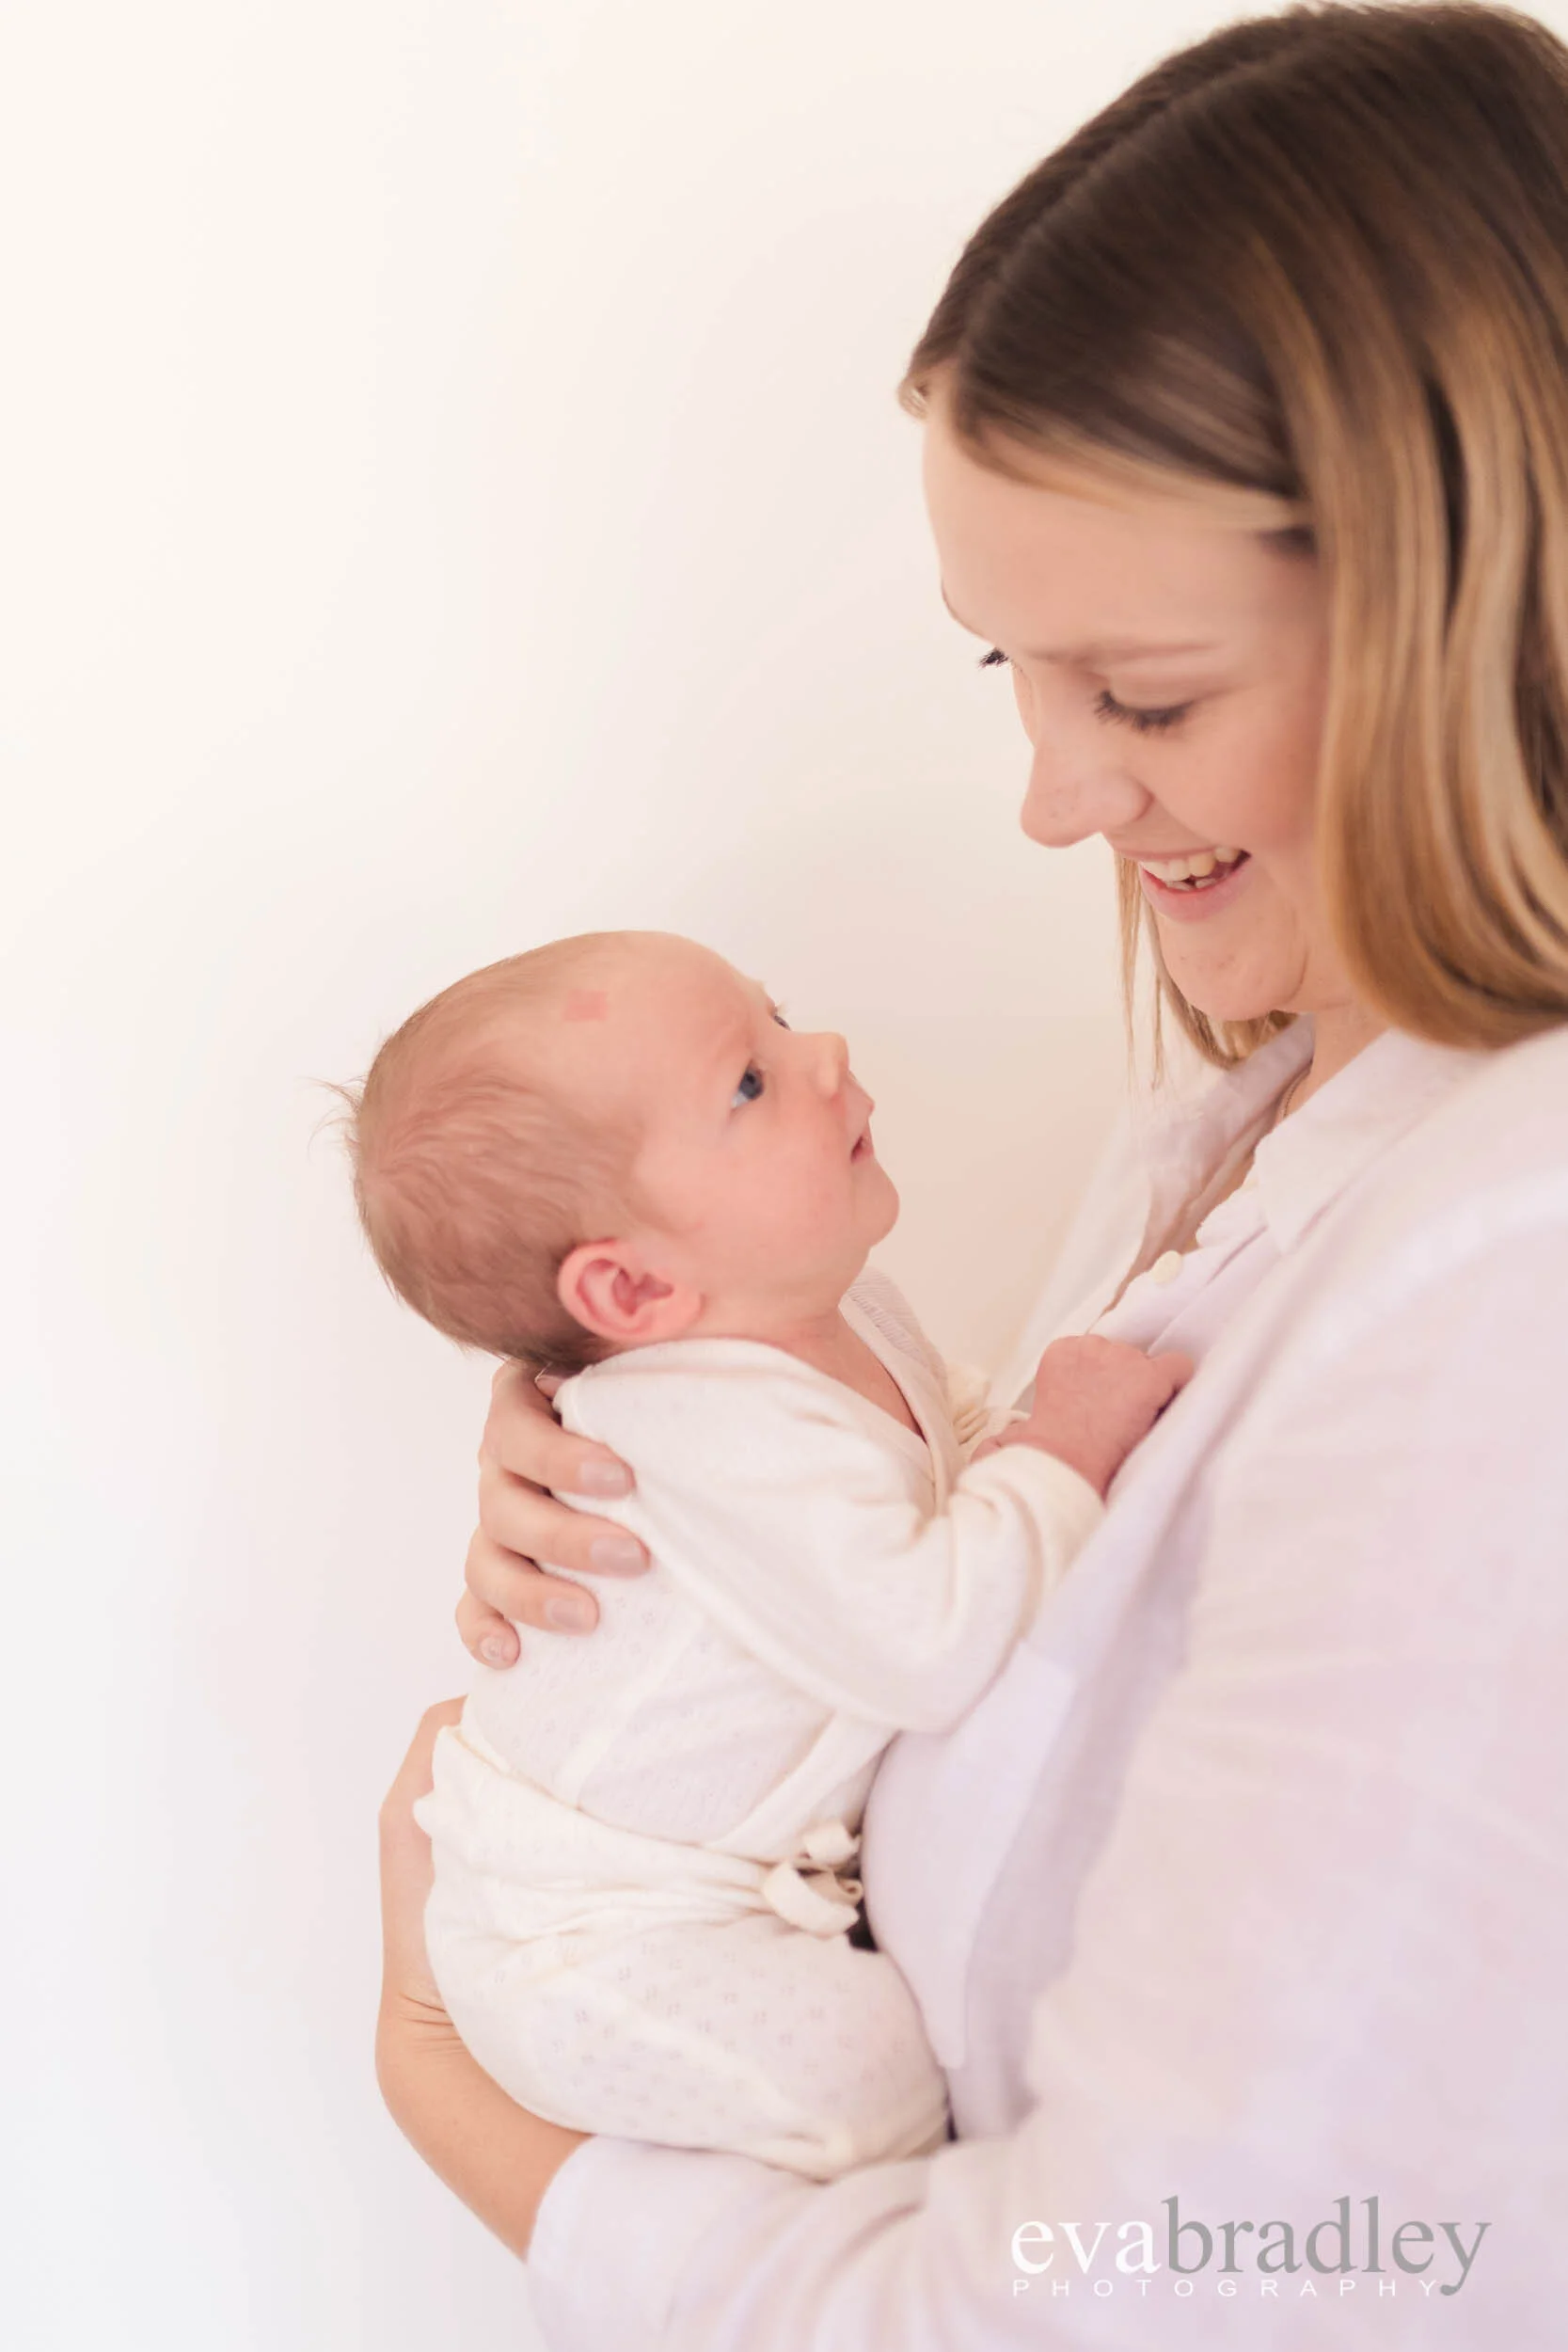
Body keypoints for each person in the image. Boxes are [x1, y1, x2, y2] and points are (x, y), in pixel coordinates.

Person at [373, 5, 1568, 2342]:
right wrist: (703, 1453)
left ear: (1483, 624)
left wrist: (470, 2110)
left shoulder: (1505, 1268)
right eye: (1005, 675)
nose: (1049, 800)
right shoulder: (1244, 1144)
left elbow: (1193, 2297)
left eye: (1135, 696)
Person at [350, 929, 1186, 2178]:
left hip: (705, 1902)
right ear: (632, 1299)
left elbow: (932, 1461)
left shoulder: (830, 1309)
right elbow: (927, 1640)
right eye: (749, 1080)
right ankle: (886, 2267)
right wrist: (1058, 1451)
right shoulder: (706, 1428)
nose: (824, 1053)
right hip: (590, 1939)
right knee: (864, 2071)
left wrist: (1001, 1443)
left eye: (779, 1019)